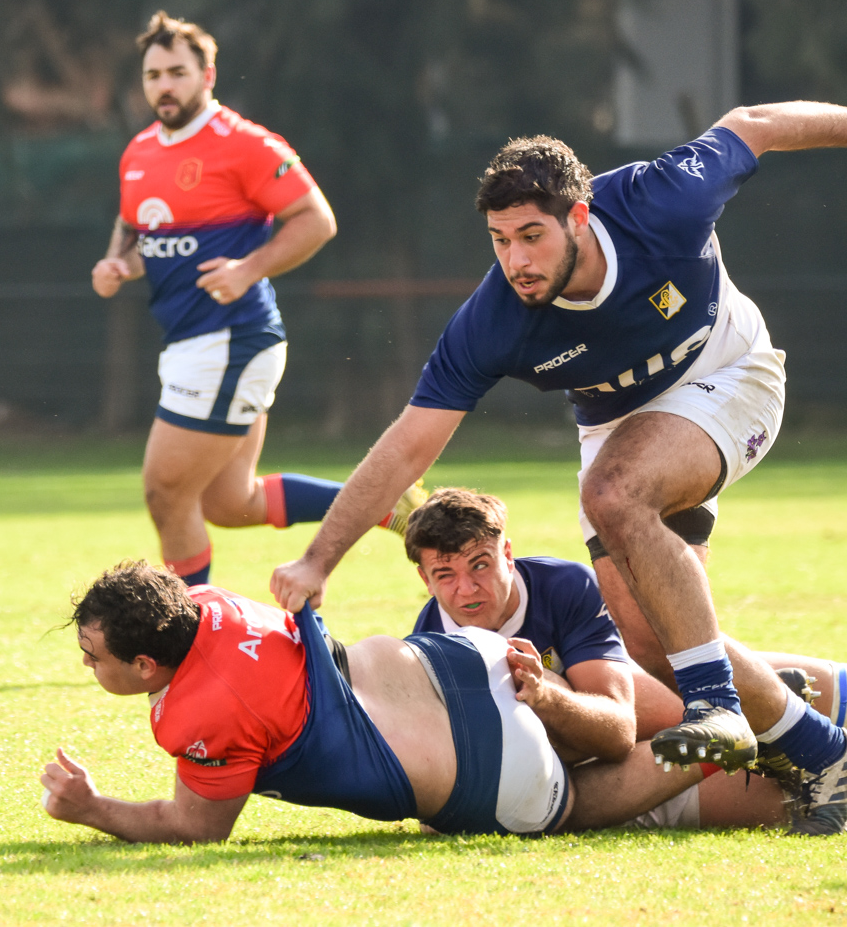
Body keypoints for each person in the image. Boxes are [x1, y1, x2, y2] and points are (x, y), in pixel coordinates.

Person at [268, 105, 847, 833]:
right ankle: (823, 750)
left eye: (532, 236)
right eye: (500, 240)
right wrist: (320, 556)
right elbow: (409, 444)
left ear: (579, 215)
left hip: (730, 369)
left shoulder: (659, 199)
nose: (516, 261)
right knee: (652, 643)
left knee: (612, 492)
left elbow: (755, 121)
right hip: (617, 422)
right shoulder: (493, 319)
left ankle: (720, 706)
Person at [38, 560, 769, 842]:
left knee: (574, 802)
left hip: (484, 768)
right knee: (576, 721)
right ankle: (764, 709)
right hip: (460, 660)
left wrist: (93, 807)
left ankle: (717, 739)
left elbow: (197, 826)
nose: (85, 664)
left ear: (143, 663)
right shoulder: (206, 602)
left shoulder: (194, 714)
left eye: (92, 656)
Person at [91, 11, 422, 586]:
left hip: (231, 338)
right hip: (195, 342)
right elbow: (135, 227)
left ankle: (194, 641)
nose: (164, 86)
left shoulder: (243, 143)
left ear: (207, 74)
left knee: (165, 492)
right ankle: (388, 505)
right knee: (229, 503)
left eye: (177, 72)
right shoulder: (139, 151)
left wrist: (249, 269)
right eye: (152, 76)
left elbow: (317, 220)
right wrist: (118, 262)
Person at [407, 487, 847, 828]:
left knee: (635, 690)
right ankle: (759, 724)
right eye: (445, 575)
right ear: (425, 579)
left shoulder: (561, 586)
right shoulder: (429, 649)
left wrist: (546, 696)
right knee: (531, 800)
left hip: (638, 711)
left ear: (506, 554)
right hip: (575, 772)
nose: (465, 590)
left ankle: (765, 714)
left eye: (480, 565)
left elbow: (618, 729)